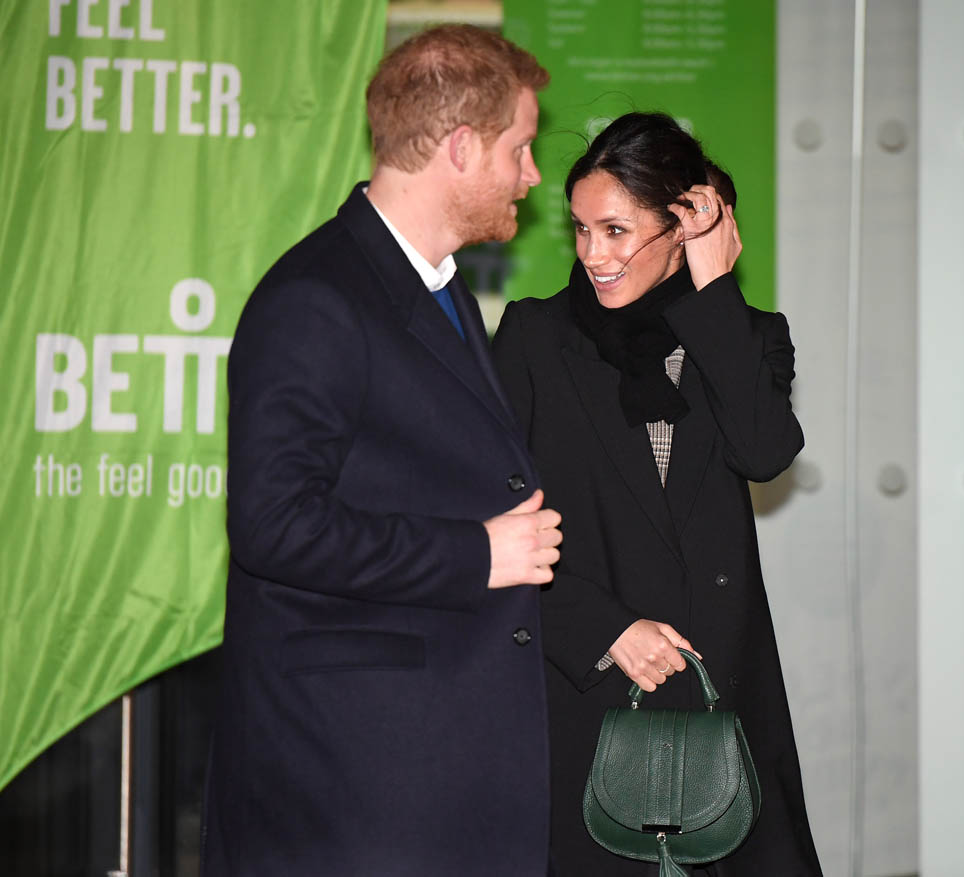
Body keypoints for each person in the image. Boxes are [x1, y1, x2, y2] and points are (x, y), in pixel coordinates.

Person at [202, 25, 562, 877]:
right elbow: (273, 524)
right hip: (354, 791)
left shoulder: (438, 289)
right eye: (520, 148)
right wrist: (476, 553)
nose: (532, 175)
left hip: (421, 780)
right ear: (462, 148)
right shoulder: (315, 299)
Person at [492, 113, 824, 876]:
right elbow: (494, 521)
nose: (593, 254)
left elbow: (765, 452)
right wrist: (604, 627)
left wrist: (714, 288)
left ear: (682, 226)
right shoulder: (535, 339)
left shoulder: (746, 336)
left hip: (717, 698)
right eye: (581, 230)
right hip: (587, 690)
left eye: (616, 231)